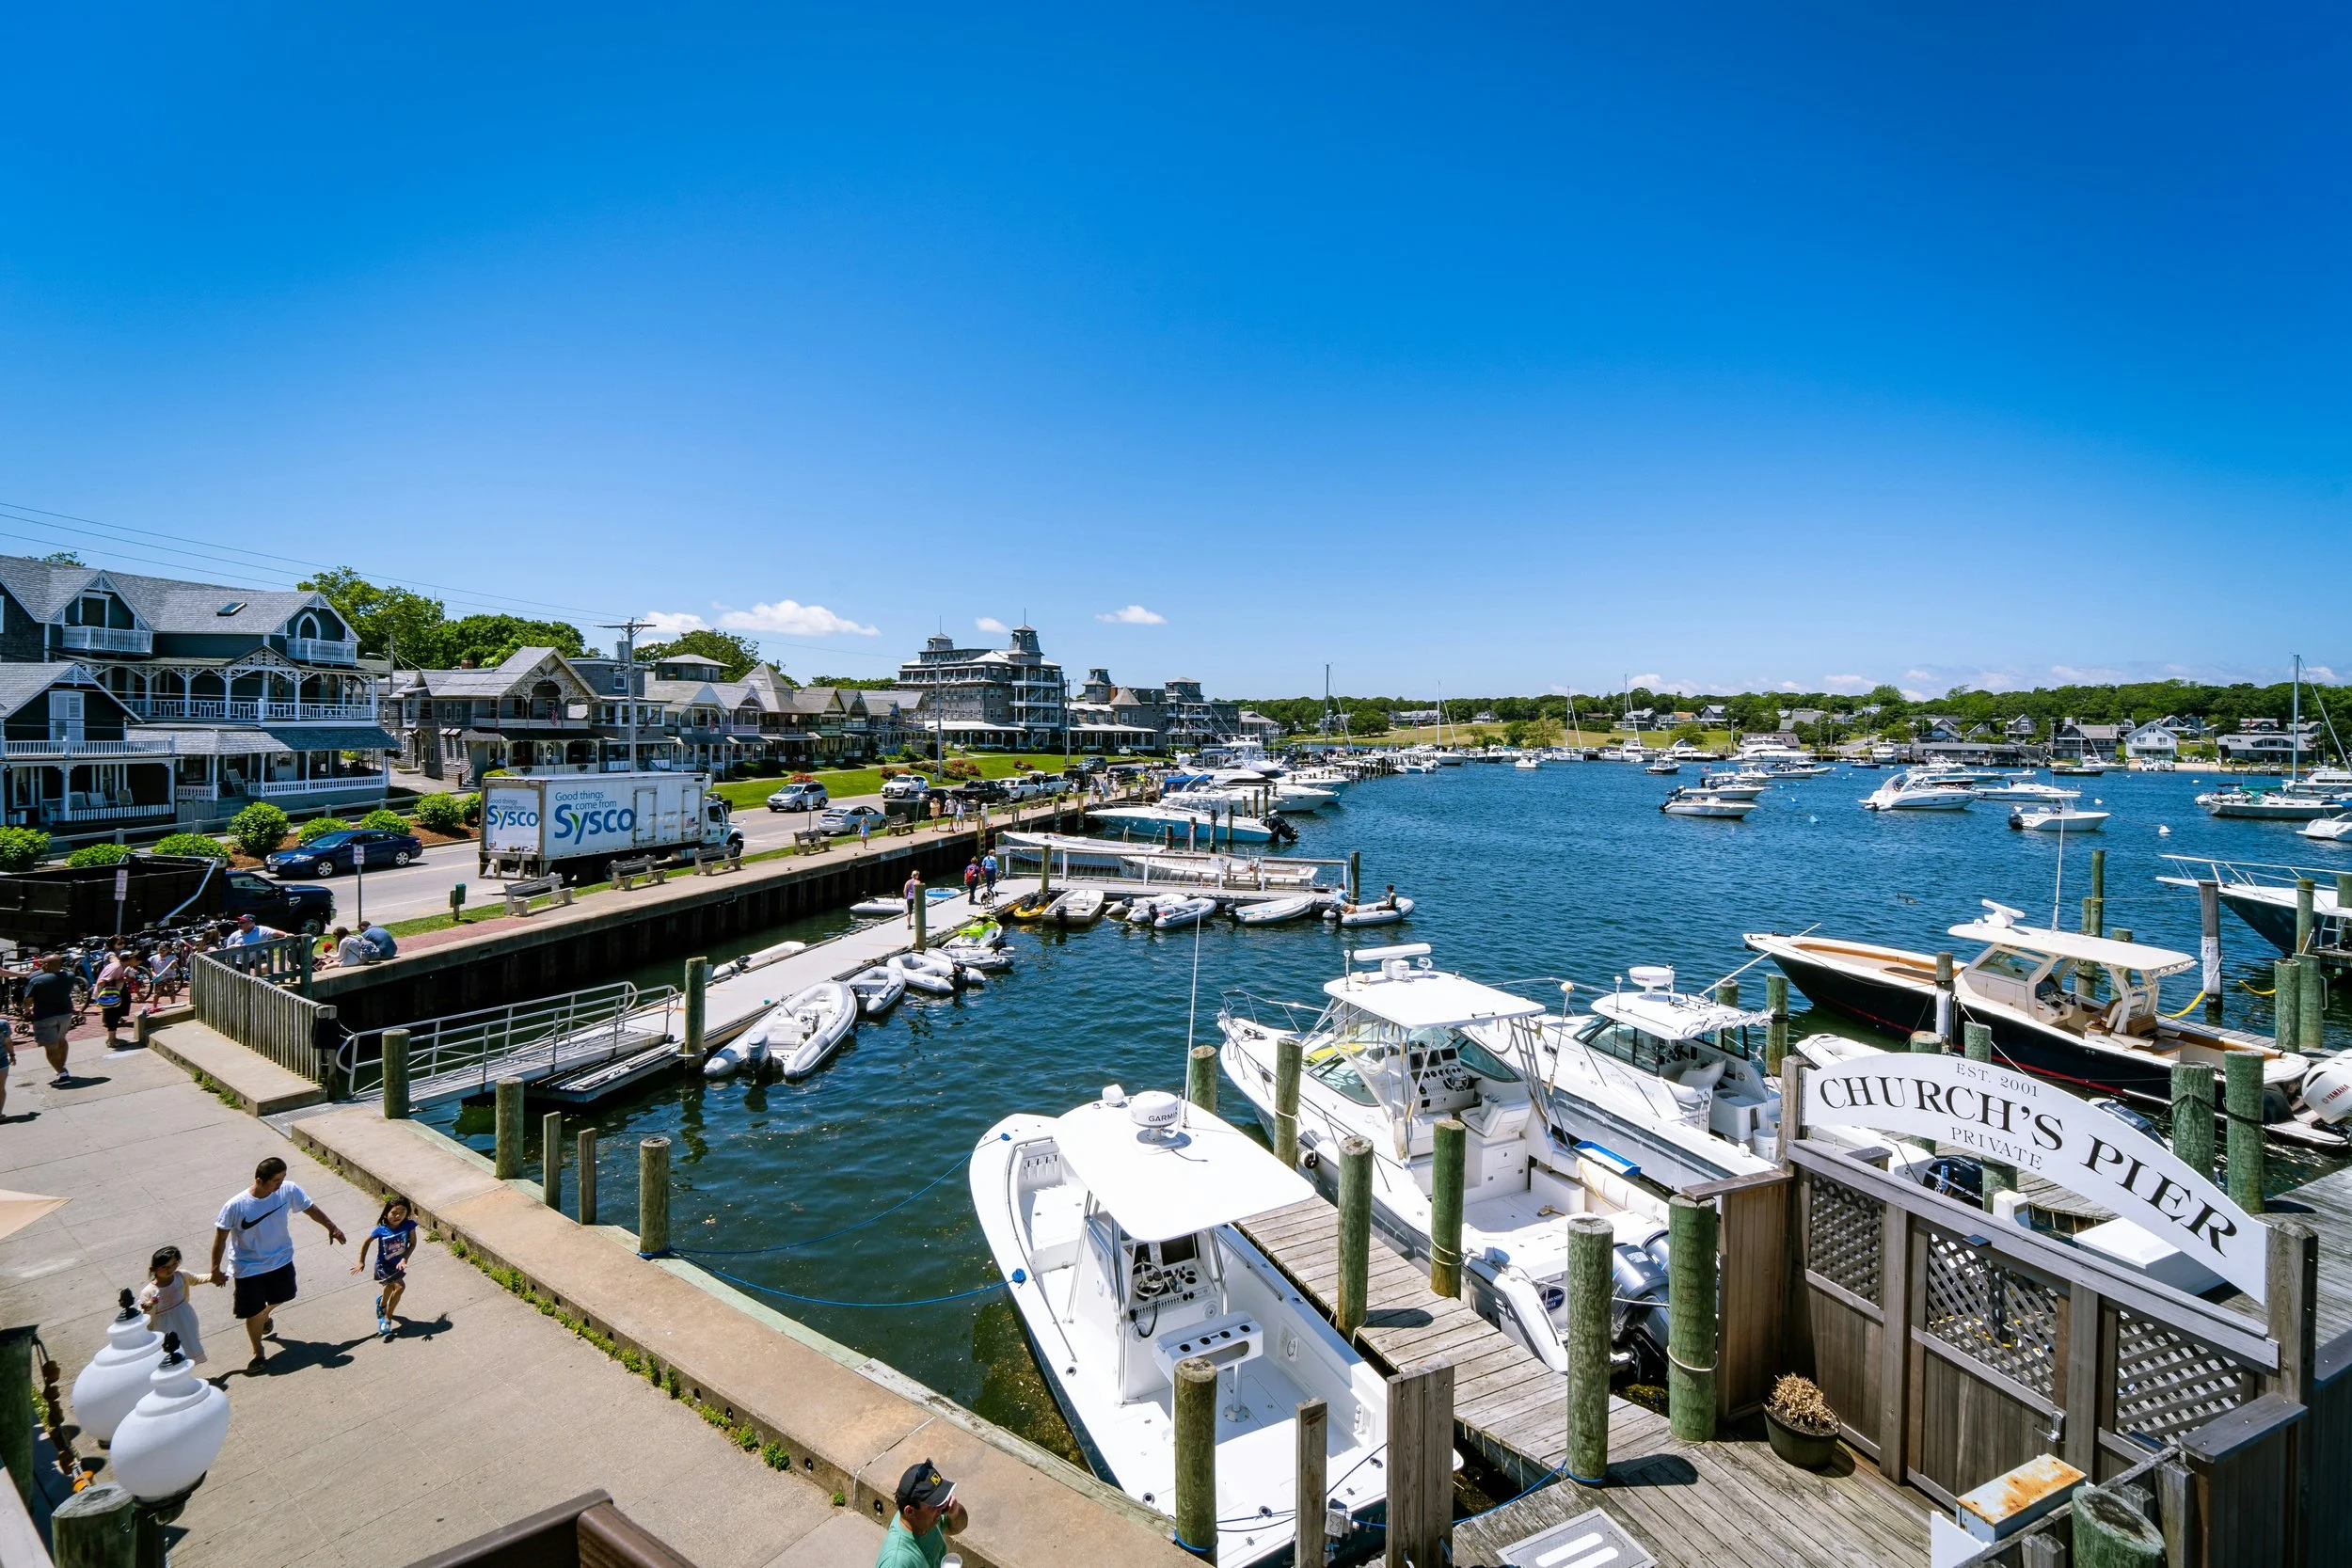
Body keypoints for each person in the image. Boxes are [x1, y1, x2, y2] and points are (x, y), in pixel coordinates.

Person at [210, 1155, 346, 1371]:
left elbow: (310, 1208)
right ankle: (258, 1352)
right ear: (259, 1180)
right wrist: (215, 1269)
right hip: (248, 1267)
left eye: (283, 1178)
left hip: (281, 1259)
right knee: (252, 1312)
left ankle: (265, 1315)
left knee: (286, 1295)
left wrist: (332, 1227)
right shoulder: (235, 1206)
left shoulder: (288, 1190)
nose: (281, 1184)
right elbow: (220, 1239)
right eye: (276, 1180)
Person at [351, 1193, 419, 1339]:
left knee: (389, 1287)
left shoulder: (409, 1226)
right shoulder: (381, 1230)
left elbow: (412, 1244)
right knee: (400, 1287)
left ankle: (381, 1304)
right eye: (394, 1213)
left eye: (402, 1212)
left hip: (398, 1265)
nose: (398, 1216)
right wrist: (361, 1261)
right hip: (383, 1265)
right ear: (387, 1213)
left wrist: (404, 1259)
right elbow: (366, 1242)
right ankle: (387, 1318)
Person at [876, 1459, 967, 1568]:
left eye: (941, 1500)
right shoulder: (896, 1562)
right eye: (934, 1503)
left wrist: (955, 1512)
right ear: (910, 1511)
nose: (942, 1507)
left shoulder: (927, 1519)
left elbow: (956, 1528)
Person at [137, 1245, 215, 1365]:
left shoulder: (181, 1276)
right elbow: (143, 1315)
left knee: (188, 1342)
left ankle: (185, 1371)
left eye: (174, 1264)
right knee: (170, 1351)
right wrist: (149, 1307)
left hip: (185, 1318)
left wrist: (213, 1277)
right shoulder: (148, 1291)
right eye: (164, 1267)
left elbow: (197, 1278)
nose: (171, 1269)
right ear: (153, 1269)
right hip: (164, 1325)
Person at [24, 954, 76, 1088]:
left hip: (45, 1017)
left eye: (43, 964)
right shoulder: (70, 976)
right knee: (62, 1040)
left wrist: (26, 1010)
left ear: (46, 965)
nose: (41, 966)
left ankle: (63, 1074)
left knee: (51, 1048)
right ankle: (60, 1067)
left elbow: (28, 1001)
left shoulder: (37, 981)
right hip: (65, 1014)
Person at [92, 947, 134, 1049]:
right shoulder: (116, 967)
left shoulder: (121, 967)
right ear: (128, 960)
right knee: (112, 1017)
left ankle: (112, 1039)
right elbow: (103, 981)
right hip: (109, 996)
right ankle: (112, 1040)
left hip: (112, 995)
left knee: (113, 1017)